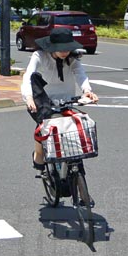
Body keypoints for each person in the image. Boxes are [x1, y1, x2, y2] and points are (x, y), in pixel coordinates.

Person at [21, 28, 99, 170]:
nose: (65, 52)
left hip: (65, 100)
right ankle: (39, 153)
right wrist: (29, 97)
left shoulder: (72, 59)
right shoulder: (39, 56)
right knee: (43, 127)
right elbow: (28, 75)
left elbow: (80, 74)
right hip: (42, 99)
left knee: (72, 125)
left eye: (67, 49)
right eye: (61, 49)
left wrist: (87, 90)